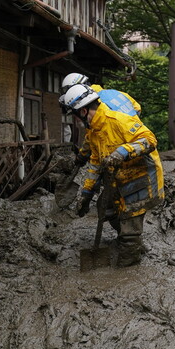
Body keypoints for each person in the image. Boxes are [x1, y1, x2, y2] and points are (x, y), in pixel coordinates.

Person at [61, 84, 164, 267]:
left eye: (75, 116)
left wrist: (122, 152)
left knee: (130, 225)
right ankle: (129, 239)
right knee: (104, 207)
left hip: (139, 178)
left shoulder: (117, 119)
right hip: (118, 180)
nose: (75, 121)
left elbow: (149, 140)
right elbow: (95, 162)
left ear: (83, 111)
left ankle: (129, 260)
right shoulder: (94, 131)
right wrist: (86, 193)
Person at [59, 73, 142, 167]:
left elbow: (92, 137)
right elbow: (137, 108)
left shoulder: (92, 105)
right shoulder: (115, 93)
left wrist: (82, 156)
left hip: (120, 151)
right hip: (137, 142)